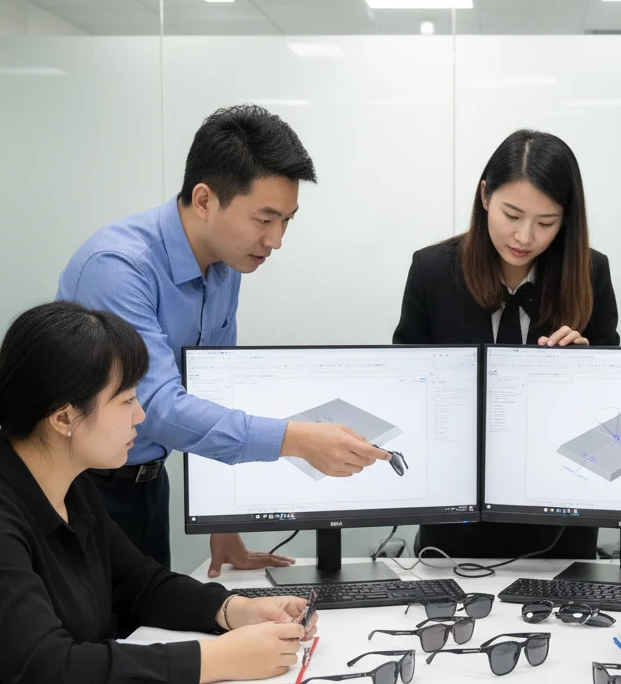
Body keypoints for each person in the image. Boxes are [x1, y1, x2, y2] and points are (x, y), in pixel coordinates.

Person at [0, 302, 318, 684]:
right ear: (63, 418)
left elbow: (141, 583)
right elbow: (48, 669)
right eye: (126, 401)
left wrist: (234, 610)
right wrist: (216, 659)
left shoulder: (72, 486)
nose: (141, 416)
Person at [57, 105, 388, 576]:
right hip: (79, 489)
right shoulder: (118, 268)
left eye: (287, 220)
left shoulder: (225, 265)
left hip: (147, 483)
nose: (276, 240)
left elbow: (210, 393)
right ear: (204, 199)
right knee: (94, 624)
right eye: (265, 219)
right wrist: (295, 439)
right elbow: (158, 406)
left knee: (148, 614)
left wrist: (223, 522)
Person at [394, 129, 619, 560]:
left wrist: (583, 370)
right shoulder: (432, 271)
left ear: (567, 219)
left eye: (546, 223)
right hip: (457, 518)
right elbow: (406, 394)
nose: (524, 237)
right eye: (511, 215)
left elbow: (610, 416)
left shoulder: (590, 272)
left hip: (560, 517)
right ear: (485, 196)